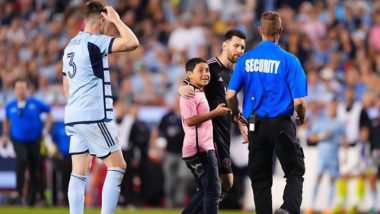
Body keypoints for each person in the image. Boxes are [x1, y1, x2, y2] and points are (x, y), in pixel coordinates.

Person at [226, 11, 307, 214]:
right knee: (295, 170)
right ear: (280, 31)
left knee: (260, 178)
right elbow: (299, 102)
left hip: (255, 124)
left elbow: (230, 95)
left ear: (260, 30)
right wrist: (301, 118)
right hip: (281, 123)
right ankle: (287, 209)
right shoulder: (290, 61)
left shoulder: (245, 60)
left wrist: (237, 116)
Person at [61, 1, 139, 214]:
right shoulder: (95, 42)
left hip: (73, 115)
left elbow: (65, 82)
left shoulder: (70, 46)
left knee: (79, 171)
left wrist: (76, 103)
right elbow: (133, 42)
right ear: (103, 19)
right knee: (117, 166)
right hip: (93, 115)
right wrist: (118, 20)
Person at [179, 29, 247, 198]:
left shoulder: (235, 73)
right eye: (236, 45)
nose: (239, 50)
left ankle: (204, 207)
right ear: (225, 45)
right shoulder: (210, 66)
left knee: (225, 183)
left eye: (242, 47)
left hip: (225, 131)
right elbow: (189, 81)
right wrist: (181, 88)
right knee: (215, 185)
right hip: (210, 133)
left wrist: (240, 123)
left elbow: (232, 101)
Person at [180, 58, 230, 214]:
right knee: (213, 191)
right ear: (190, 74)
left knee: (205, 190)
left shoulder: (199, 91)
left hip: (201, 148)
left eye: (207, 70)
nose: (205, 74)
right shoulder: (189, 93)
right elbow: (189, 121)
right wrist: (214, 113)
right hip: (199, 149)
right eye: (200, 70)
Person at [1, 78, 53, 206]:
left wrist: (46, 130)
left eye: (23, 88)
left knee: (35, 169)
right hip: (18, 140)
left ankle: (32, 199)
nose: (20, 91)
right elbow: (6, 119)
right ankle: (19, 193)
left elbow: (50, 114)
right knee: (21, 160)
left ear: (28, 89)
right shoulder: (10, 105)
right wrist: (5, 134)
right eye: (18, 88)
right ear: (14, 90)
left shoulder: (36, 103)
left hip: (35, 141)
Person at [306, 100, 346, 213]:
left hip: (334, 156)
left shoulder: (340, 123)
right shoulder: (321, 122)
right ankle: (311, 206)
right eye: (331, 107)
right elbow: (311, 137)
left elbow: (345, 139)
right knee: (318, 178)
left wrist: (345, 152)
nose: (333, 109)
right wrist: (322, 136)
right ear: (328, 108)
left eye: (335, 107)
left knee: (332, 181)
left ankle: (328, 207)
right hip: (322, 156)